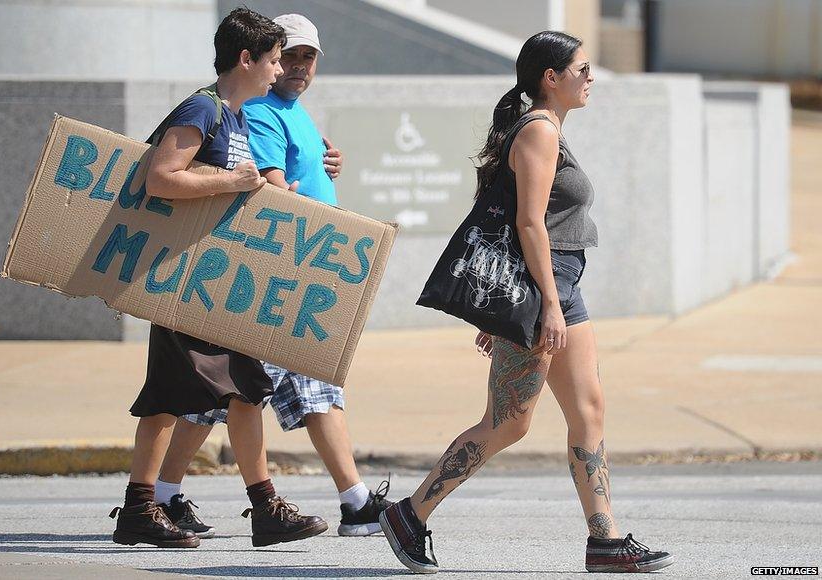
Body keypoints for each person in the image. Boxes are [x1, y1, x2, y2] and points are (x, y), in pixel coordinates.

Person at [379, 31, 674, 574]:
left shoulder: (550, 130)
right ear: (550, 78)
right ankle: (409, 515)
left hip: (560, 284)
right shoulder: (538, 131)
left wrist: (522, 304)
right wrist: (544, 308)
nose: (590, 78)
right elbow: (529, 223)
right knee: (508, 421)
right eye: (582, 69)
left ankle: (604, 540)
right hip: (548, 290)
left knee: (589, 410)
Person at [150, 13, 393, 541]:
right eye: (285, 56)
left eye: (307, 57)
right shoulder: (246, 112)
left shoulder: (281, 111)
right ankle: (351, 503)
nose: (295, 66)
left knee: (220, 395)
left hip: (278, 273)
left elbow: (284, 174)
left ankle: (162, 496)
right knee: (295, 388)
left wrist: (325, 165)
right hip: (273, 275)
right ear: (253, 59)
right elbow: (267, 192)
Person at [108, 7, 328, 549]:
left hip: (215, 279)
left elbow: (233, 185)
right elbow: (161, 178)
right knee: (166, 397)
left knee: (249, 389)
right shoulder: (202, 109)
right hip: (178, 277)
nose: (280, 72)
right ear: (246, 58)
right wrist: (232, 180)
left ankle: (265, 507)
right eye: (274, 60)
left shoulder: (232, 116)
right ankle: (140, 506)